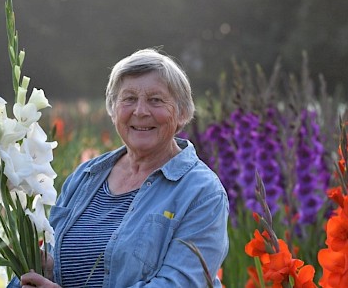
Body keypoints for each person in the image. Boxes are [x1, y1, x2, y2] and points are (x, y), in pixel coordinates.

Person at [18, 48, 229, 287]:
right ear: (113, 110)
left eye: (155, 100)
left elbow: (180, 283)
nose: (140, 111)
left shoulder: (202, 192)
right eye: (128, 99)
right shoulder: (87, 176)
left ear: (181, 113)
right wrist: (47, 271)